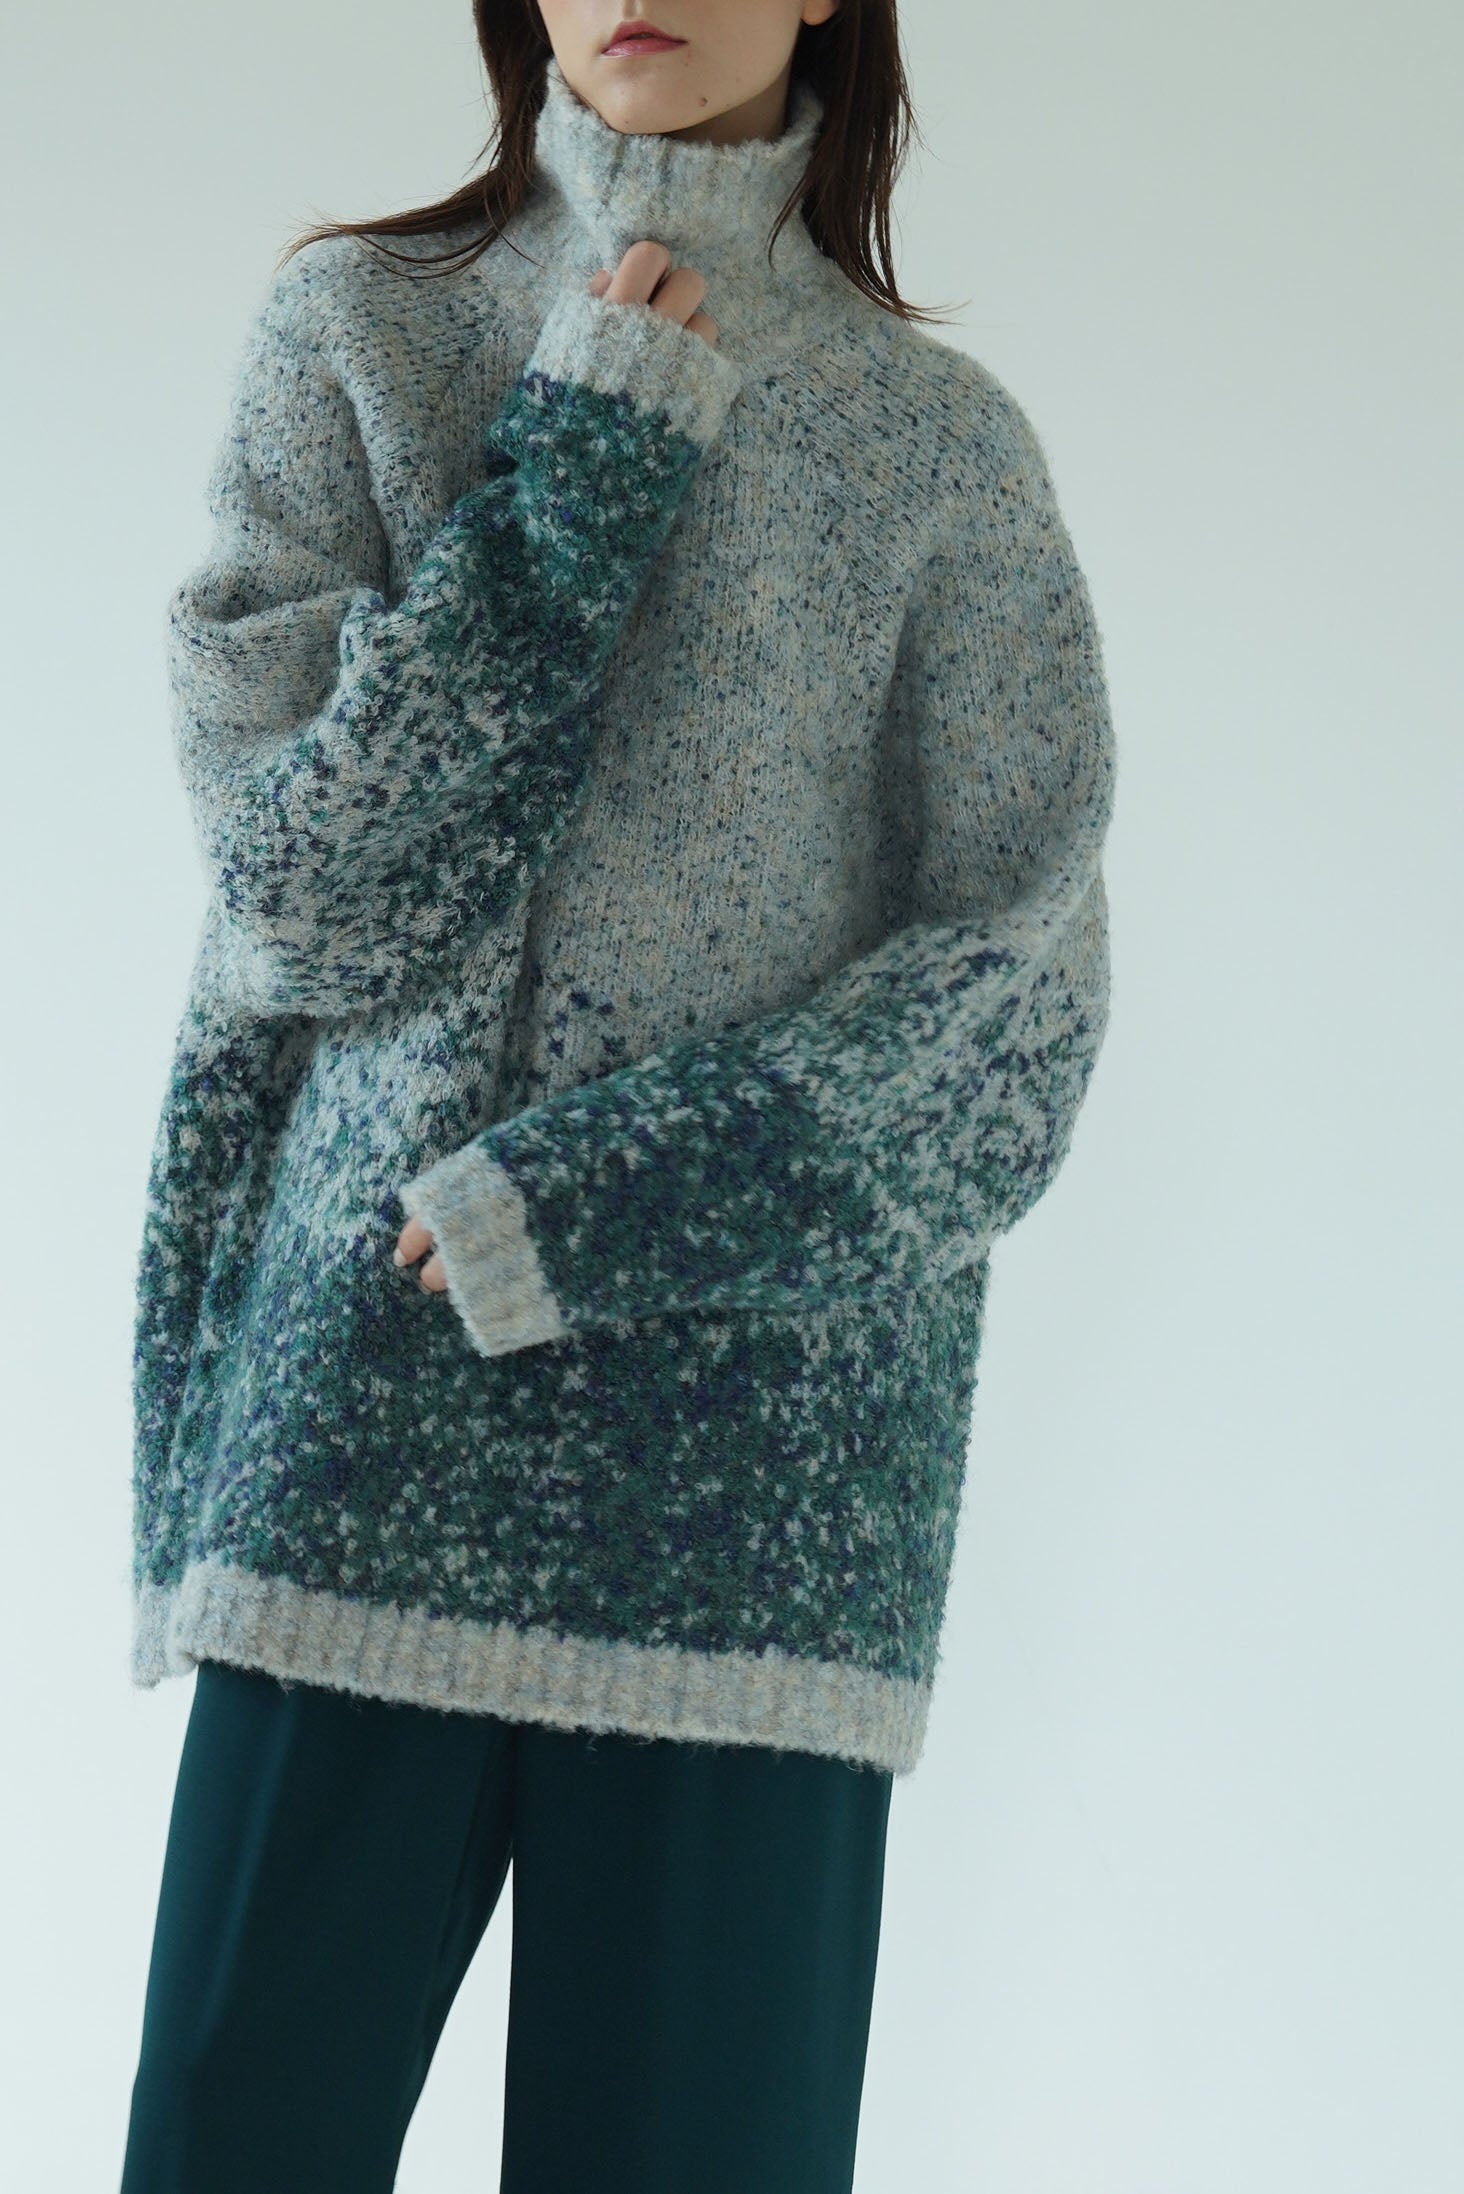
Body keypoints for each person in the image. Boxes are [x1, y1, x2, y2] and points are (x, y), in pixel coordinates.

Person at [121, 1, 1117, 2187]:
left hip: (757, 1523)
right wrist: (576, 477)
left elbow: (1014, 1014)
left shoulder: (939, 447)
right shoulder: (363, 332)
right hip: (356, 1454)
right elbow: (306, 903)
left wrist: (583, 1204)